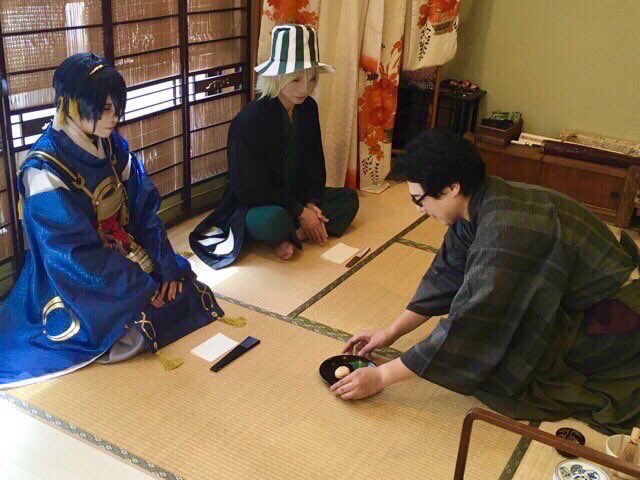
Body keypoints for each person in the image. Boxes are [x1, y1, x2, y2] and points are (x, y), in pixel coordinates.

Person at [332, 129, 640, 434]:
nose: (419, 209)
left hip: (617, 318)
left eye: (419, 200)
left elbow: (472, 320)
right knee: (494, 346)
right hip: (586, 299)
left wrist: (383, 376)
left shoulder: (505, 232)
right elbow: (447, 275)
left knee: (508, 375)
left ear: (452, 188)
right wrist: (391, 332)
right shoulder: (484, 199)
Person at [0, 53, 223, 389]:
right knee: (137, 325)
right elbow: (68, 251)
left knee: (186, 289)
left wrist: (165, 267)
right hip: (72, 275)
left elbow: (144, 210)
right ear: (71, 104)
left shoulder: (112, 144)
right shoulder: (44, 168)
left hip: (121, 253)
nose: (114, 117)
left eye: (116, 107)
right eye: (104, 108)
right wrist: (139, 288)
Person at [190, 24, 359, 268]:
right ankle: (290, 230)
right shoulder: (250, 120)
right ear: (276, 77)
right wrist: (300, 212)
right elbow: (247, 187)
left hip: (297, 196)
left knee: (348, 199)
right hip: (258, 203)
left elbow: (315, 163)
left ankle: (295, 234)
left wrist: (311, 203)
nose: (305, 88)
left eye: (311, 78)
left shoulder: (308, 108)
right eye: (296, 79)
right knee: (273, 220)